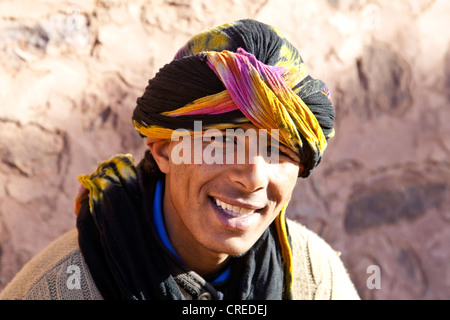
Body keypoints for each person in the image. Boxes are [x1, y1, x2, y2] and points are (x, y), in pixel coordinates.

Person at [0, 19, 359, 300]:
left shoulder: (316, 278)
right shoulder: (59, 288)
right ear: (164, 150)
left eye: (279, 149)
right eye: (225, 141)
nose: (253, 177)